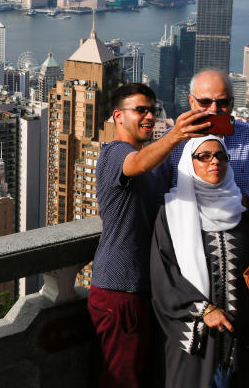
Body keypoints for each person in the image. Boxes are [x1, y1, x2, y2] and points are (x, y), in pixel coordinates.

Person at [87, 83, 211, 387]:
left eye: (152, 111)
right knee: (122, 379)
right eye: (140, 110)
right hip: (119, 290)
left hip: (146, 290)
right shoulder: (115, 153)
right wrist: (175, 134)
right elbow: (136, 164)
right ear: (118, 116)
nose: (149, 116)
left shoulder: (157, 165)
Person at [151, 136, 249, 387]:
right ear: (188, 163)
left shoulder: (244, 210)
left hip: (241, 342)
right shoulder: (172, 213)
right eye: (204, 156)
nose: (214, 162)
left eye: (220, 156)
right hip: (195, 343)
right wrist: (203, 310)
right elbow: (164, 275)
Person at [160, 69, 249, 244]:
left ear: (232, 103)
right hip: (188, 242)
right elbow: (159, 195)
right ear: (191, 101)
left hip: (245, 243)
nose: (214, 109)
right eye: (205, 101)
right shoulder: (173, 140)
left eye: (222, 102)